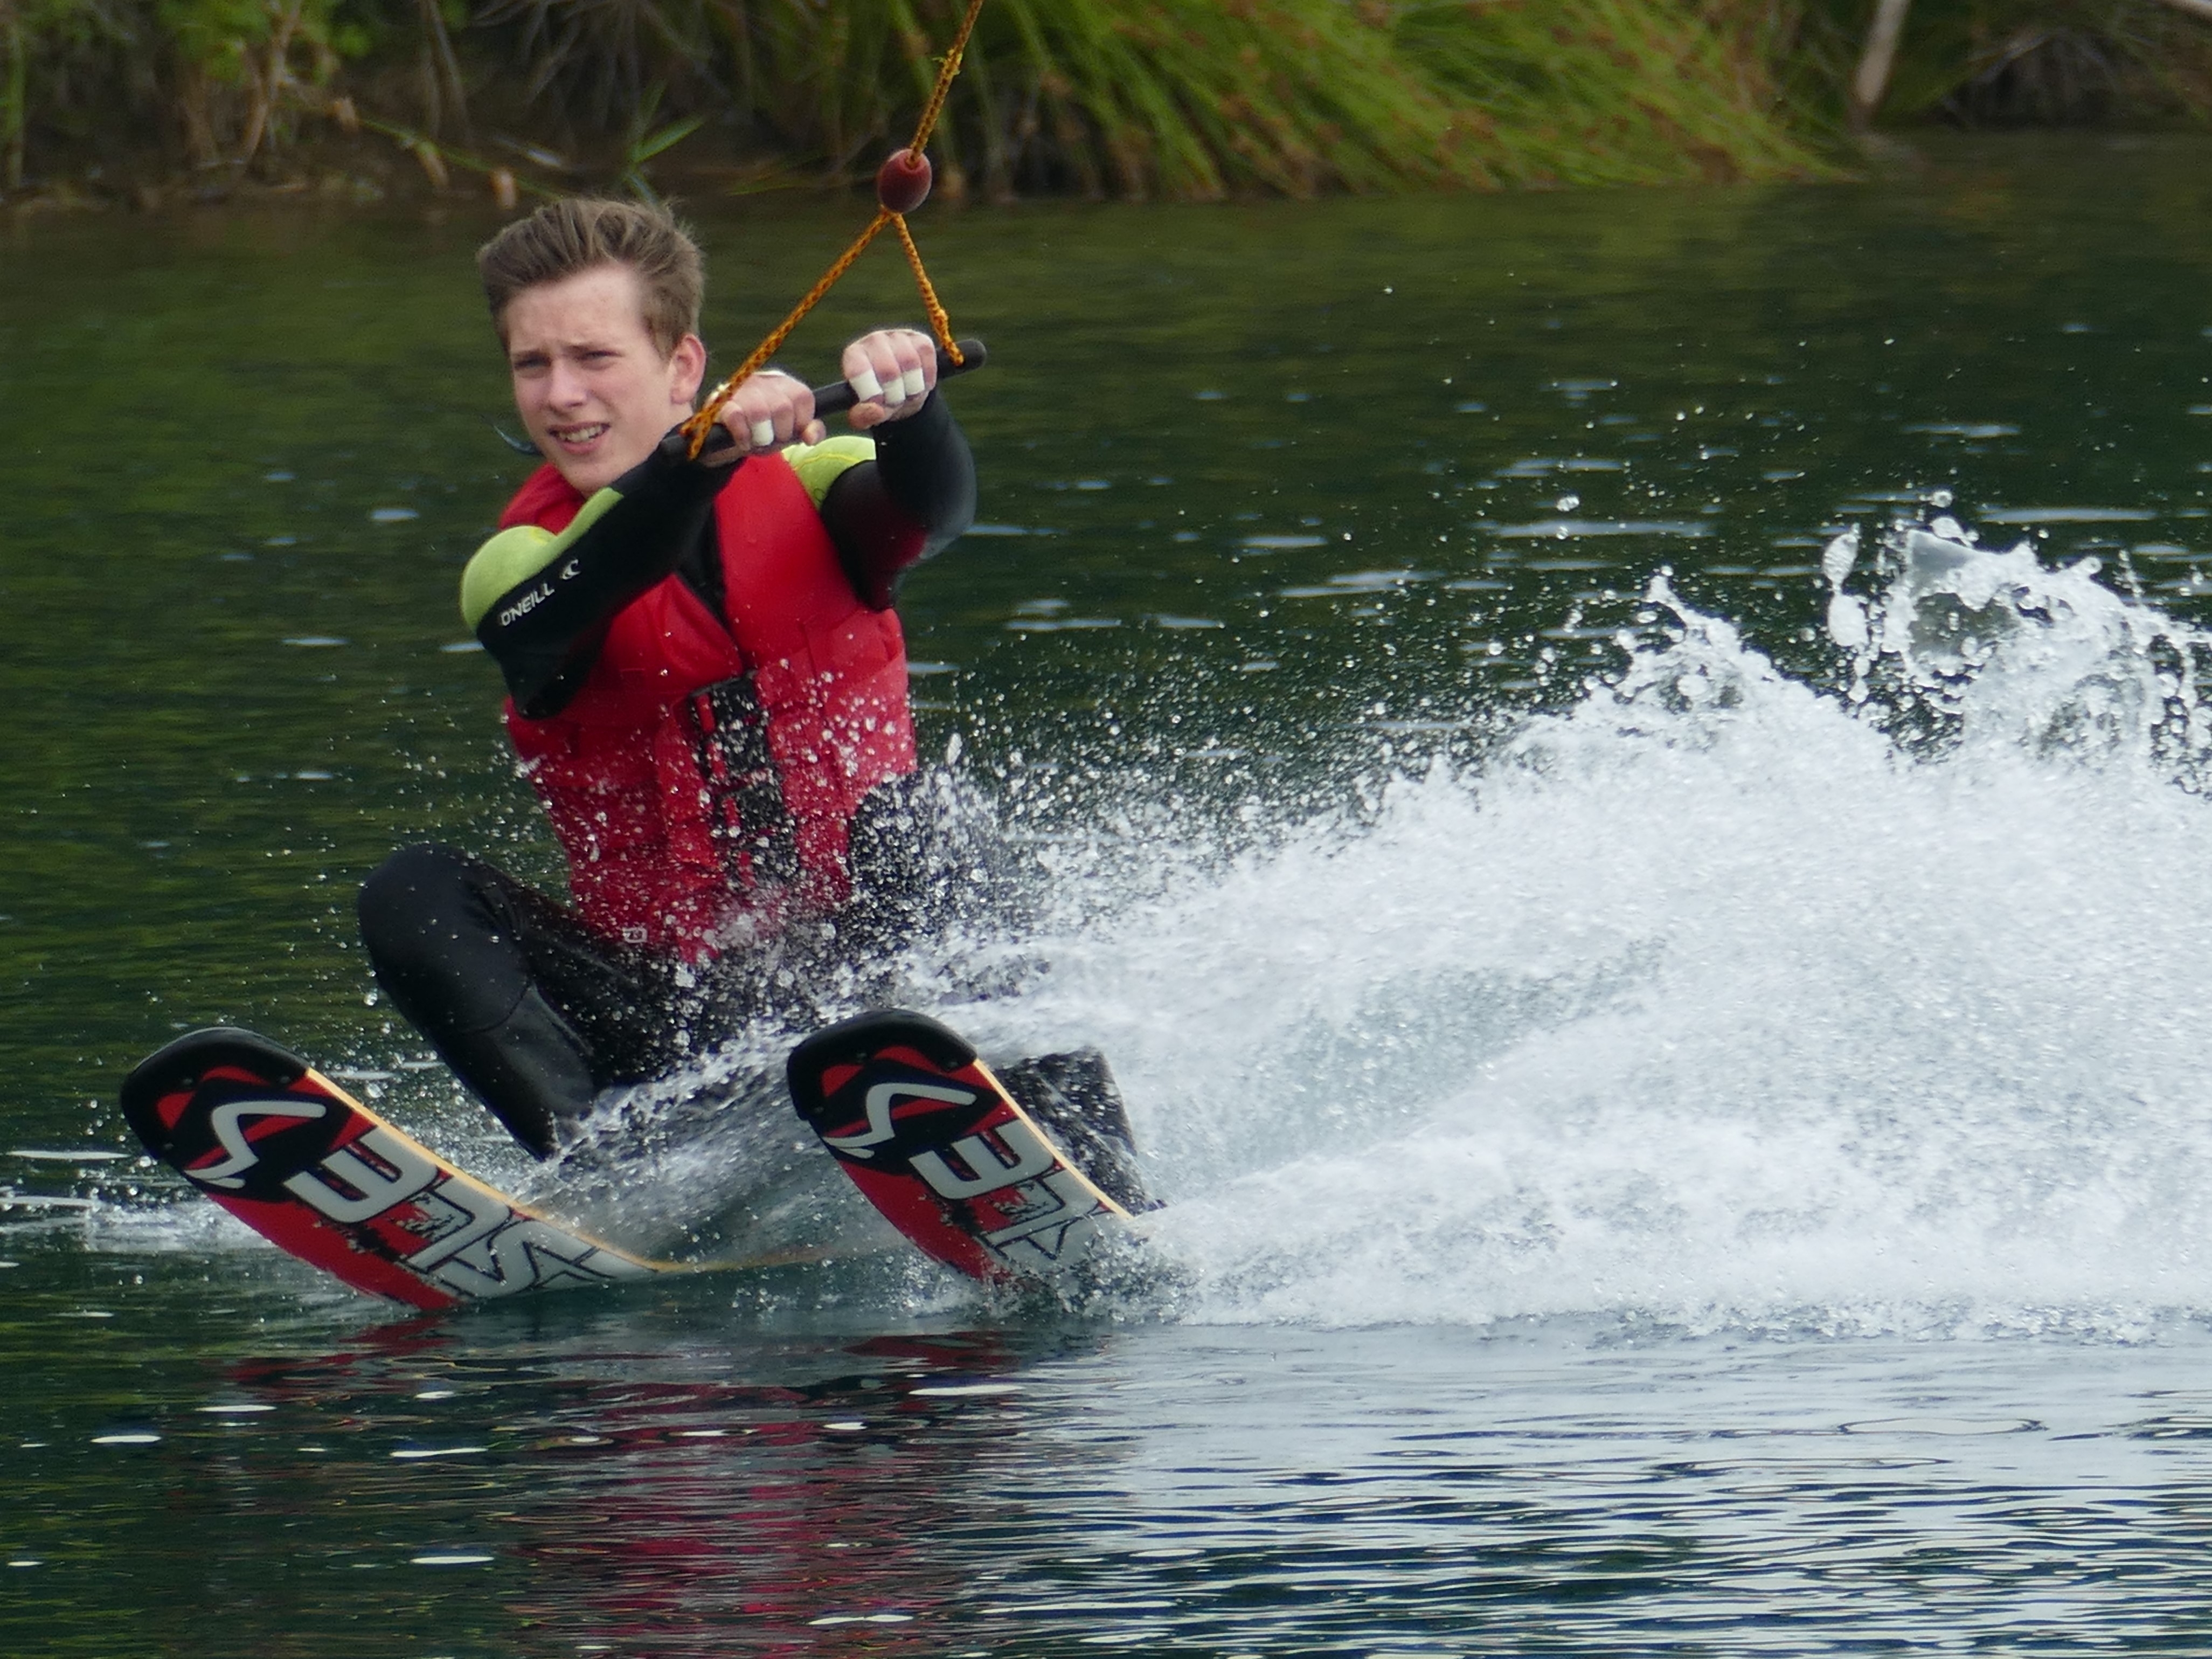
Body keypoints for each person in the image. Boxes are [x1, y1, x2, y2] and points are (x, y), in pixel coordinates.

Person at [356, 197, 982, 1160]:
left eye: (593, 358)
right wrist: (696, 464)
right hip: (675, 1025)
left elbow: (929, 512)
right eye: (534, 364)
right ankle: (603, 1172)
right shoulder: (516, 560)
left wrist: (913, 407)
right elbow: (610, 566)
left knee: (930, 822)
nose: (561, 394)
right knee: (411, 891)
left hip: (888, 975)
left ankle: (993, 1106)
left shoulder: (815, 479)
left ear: (683, 365)